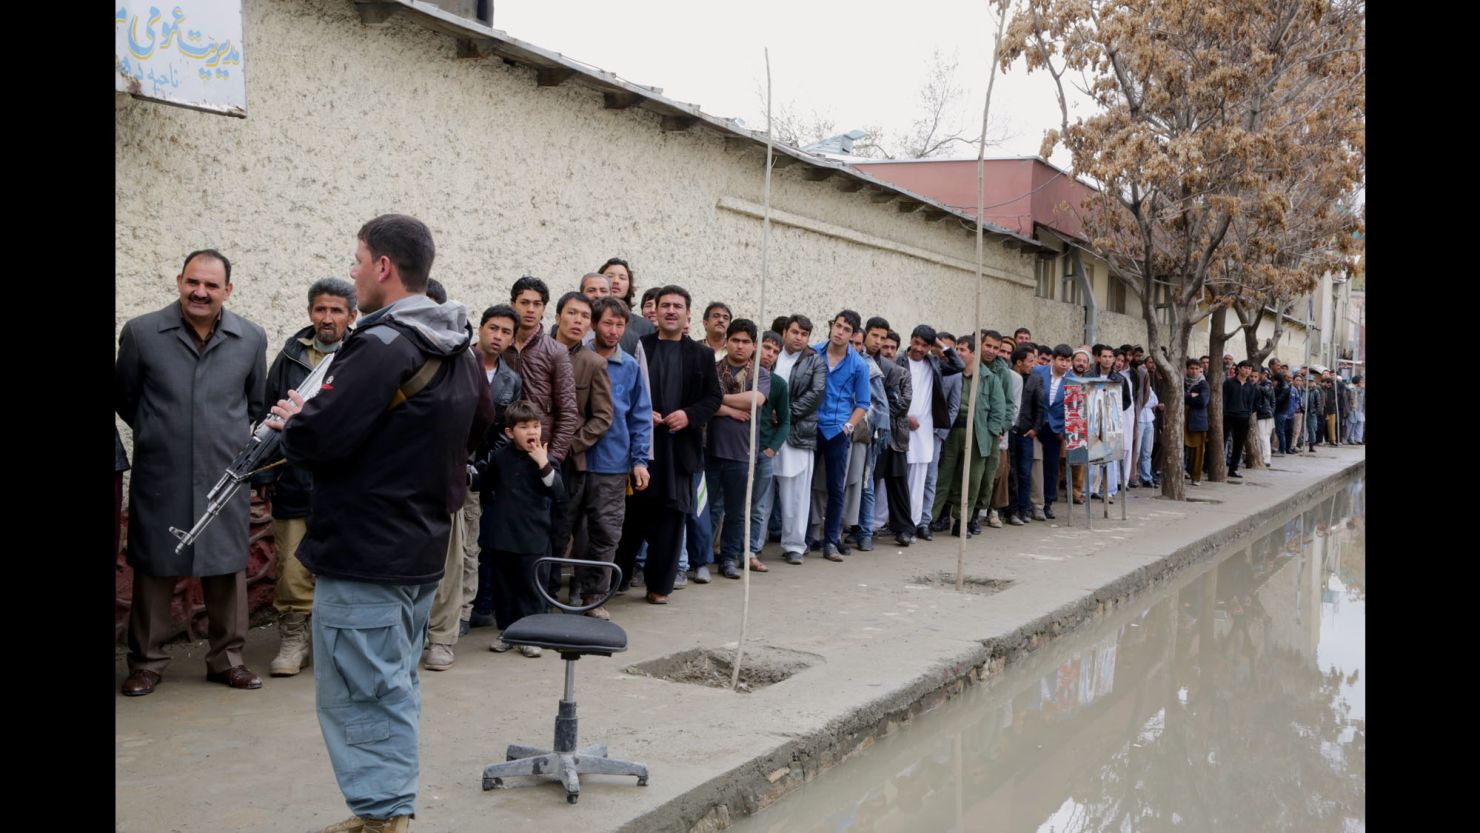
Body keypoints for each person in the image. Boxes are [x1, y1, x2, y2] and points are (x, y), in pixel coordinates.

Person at [271, 214, 491, 833]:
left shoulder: (381, 344)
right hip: (421, 545)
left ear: (385, 268)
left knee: (360, 691)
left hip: (366, 550)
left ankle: (382, 817)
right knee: (389, 683)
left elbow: (317, 440)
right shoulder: (459, 346)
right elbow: (479, 428)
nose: (354, 271)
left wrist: (297, 418)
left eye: (359, 259)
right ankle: (388, 804)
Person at [115, 248, 268, 698]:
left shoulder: (251, 338)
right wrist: (164, 434)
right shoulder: (142, 333)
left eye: (211, 285)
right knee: (155, 566)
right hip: (162, 473)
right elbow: (126, 397)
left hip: (225, 474)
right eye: (192, 282)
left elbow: (254, 403)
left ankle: (228, 660)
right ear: (180, 280)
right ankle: (146, 663)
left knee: (227, 568)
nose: (200, 292)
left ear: (228, 290)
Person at [261, 277, 358, 677]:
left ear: (352, 315)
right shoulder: (289, 356)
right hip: (294, 478)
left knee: (346, 565)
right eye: (321, 309)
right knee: (292, 565)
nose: (327, 317)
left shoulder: (362, 354)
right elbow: (268, 415)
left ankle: (341, 642)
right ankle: (294, 638)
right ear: (310, 313)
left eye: (336, 310)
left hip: (346, 483)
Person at [613, 286, 721, 603]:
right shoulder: (639, 346)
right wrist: (646, 413)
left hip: (680, 451)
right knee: (631, 517)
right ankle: (615, 579)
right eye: (665, 306)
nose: (671, 311)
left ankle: (659, 586)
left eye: (677, 306)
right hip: (641, 449)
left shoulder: (701, 354)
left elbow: (713, 397)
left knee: (671, 520)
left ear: (688, 313)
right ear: (655, 312)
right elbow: (627, 392)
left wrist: (688, 416)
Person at [477, 401, 565, 657]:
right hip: (503, 535)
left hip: (533, 538)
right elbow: (485, 482)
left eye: (536, 426)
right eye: (524, 427)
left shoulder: (546, 459)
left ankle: (532, 635)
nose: (532, 432)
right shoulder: (501, 457)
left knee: (531, 587)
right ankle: (508, 632)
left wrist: (542, 463)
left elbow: (558, 491)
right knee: (504, 588)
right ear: (509, 432)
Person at [583, 296, 652, 609]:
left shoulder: (631, 367)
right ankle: (550, 595)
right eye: (607, 323)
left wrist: (640, 461)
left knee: (607, 532)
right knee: (561, 529)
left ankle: (594, 597)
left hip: (613, 461)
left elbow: (640, 416)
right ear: (594, 323)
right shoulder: (577, 358)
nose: (612, 330)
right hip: (575, 458)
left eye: (619, 324)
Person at [466, 305, 524, 632]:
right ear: (481, 329)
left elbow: (507, 430)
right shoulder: (459, 364)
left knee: (477, 544)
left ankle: (473, 608)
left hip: (485, 472)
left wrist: (484, 468)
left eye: (505, 332)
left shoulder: (510, 380)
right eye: (493, 328)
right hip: (451, 466)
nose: (498, 336)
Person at [705, 319, 769, 579]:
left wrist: (717, 400)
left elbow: (756, 399)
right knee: (707, 509)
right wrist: (732, 408)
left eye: (745, 342)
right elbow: (702, 402)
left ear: (754, 346)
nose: (740, 346)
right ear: (727, 342)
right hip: (710, 449)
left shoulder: (760, 374)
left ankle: (729, 558)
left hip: (742, 454)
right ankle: (701, 557)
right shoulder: (713, 369)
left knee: (736, 511)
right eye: (735, 340)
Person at [811, 310, 873, 560]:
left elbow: (864, 403)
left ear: (854, 334)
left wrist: (848, 426)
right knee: (806, 485)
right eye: (837, 326)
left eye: (847, 329)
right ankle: (804, 538)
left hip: (838, 430)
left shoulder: (858, 364)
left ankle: (830, 542)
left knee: (836, 488)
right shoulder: (813, 353)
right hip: (810, 426)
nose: (840, 332)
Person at [505, 276, 577, 465]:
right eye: (524, 302)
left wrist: (552, 458)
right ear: (513, 304)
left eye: (537, 304)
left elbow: (568, 412)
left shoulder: (556, 351)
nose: (530, 309)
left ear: (544, 308)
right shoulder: (500, 345)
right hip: (501, 448)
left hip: (540, 451)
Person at [772, 315, 826, 565]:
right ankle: (750, 545)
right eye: (794, 332)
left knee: (796, 494)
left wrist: (784, 415)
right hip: (767, 434)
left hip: (797, 434)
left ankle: (794, 545)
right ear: (785, 332)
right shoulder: (771, 355)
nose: (798, 338)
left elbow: (815, 394)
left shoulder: (814, 361)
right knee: (761, 492)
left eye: (804, 334)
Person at [748, 330, 790, 571]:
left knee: (758, 506)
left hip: (763, 452)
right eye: (766, 348)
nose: (769, 354)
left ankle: (752, 551)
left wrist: (772, 449)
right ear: (755, 346)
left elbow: (785, 420)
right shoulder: (743, 376)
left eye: (775, 351)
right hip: (737, 450)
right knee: (722, 504)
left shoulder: (778, 384)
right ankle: (718, 551)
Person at [1008, 346, 1045, 525]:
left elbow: (1040, 407)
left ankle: (1024, 510)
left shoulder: (1036, 379)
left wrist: (1035, 429)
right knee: (1009, 472)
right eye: (1030, 361)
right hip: (1009, 432)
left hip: (1026, 434)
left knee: (1024, 473)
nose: (1034, 364)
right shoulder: (1007, 377)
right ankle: (1010, 510)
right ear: (1019, 362)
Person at [1224, 360, 1256, 478]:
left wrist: (1247, 413)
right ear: (1239, 368)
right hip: (1228, 416)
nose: (1247, 370)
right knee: (1222, 440)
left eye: (1249, 368)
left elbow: (1251, 403)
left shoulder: (1251, 386)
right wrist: (1225, 412)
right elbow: (1224, 398)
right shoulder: (1229, 382)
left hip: (1243, 417)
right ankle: (1210, 466)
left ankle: (1233, 468)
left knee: (1238, 444)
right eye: (1245, 368)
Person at [1183, 358, 1210, 485]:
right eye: (1191, 369)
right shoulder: (1181, 382)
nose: (1194, 372)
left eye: (1196, 369)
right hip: (1181, 419)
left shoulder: (1203, 384)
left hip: (1197, 420)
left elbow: (1202, 402)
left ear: (1201, 370)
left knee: (1197, 451)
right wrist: (1189, 396)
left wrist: (1185, 398)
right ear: (1186, 369)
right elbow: (1176, 395)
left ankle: (1196, 477)